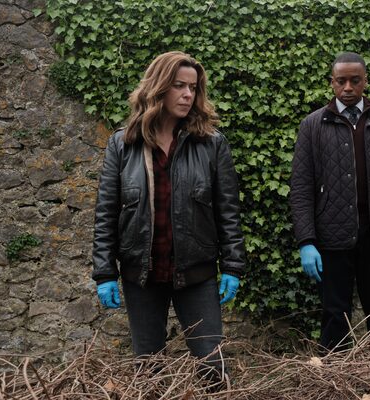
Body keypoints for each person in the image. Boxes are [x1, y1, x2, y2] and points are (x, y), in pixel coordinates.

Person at [92, 51, 245, 381]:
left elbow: (228, 211)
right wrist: (104, 272)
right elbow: (106, 213)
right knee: (148, 370)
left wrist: (233, 266)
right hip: (141, 275)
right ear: (158, 87)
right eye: (179, 86)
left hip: (196, 272)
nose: (188, 94)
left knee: (212, 367)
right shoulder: (123, 144)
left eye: (193, 87)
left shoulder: (212, 144)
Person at [290, 52, 370, 351]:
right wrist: (306, 241)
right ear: (332, 83)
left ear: (365, 82)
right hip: (331, 238)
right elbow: (301, 188)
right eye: (341, 81)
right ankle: (336, 375)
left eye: (355, 81)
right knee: (335, 318)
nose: (348, 87)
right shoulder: (313, 126)